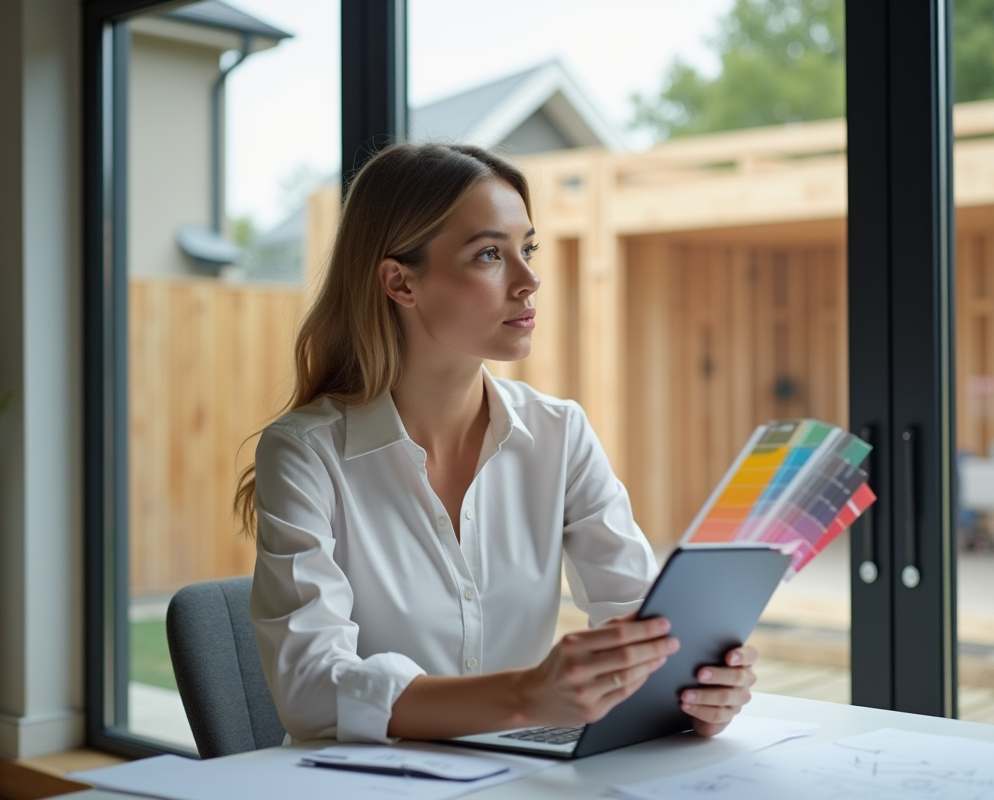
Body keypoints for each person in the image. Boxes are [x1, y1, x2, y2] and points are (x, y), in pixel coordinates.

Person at [236, 143, 759, 745]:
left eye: (527, 249)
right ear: (400, 282)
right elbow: (310, 690)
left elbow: (642, 622)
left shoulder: (560, 435)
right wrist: (525, 696)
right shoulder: (305, 453)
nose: (530, 280)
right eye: (489, 254)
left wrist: (698, 687)